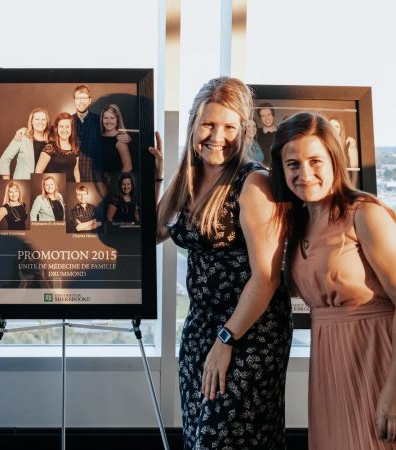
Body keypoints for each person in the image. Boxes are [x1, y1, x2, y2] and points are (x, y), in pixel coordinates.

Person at [149, 77, 292, 449]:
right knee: (200, 435)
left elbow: (266, 278)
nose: (218, 136)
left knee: (224, 438)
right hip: (201, 326)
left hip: (249, 329)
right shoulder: (189, 177)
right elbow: (154, 232)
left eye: (230, 126)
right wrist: (158, 177)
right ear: (194, 124)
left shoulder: (253, 183)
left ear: (244, 130)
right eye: (209, 124)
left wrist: (226, 339)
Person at [269, 112, 396, 449]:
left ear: (335, 161)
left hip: (379, 360)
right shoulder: (296, 226)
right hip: (329, 367)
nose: (304, 173)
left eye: (315, 161)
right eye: (293, 164)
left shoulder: (365, 214)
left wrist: (394, 390)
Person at [72, 85, 130, 181]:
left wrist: (127, 137)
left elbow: (112, 134)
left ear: (89, 100)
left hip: (96, 178)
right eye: (78, 98)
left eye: (84, 98)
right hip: (74, 176)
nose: (81, 101)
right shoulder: (68, 122)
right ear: (74, 100)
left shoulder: (99, 120)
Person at [0, 108, 51, 180]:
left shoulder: (51, 140)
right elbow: (4, 159)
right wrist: (7, 182)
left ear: (47, 122)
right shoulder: (22, 137)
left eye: (43, 119)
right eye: (37, 119)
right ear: (31, 122)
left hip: (43, 183)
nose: (40, 122)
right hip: (24, 183)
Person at [35, 112, 81, 182]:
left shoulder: (75, 148)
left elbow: (76, 170)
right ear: (57, 128)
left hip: (71, 187)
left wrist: (77, 185)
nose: (64, 130)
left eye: (67, 126)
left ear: (72, 129)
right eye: (61, 126)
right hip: (55, 187)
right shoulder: (49, 147)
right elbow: (39, 170)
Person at [100, 103, 132, 174]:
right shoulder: (99, 136)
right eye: (105, 118)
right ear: (102, 119)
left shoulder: (120, 139)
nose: (108, 121)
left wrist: (117, 181)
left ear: (117, 119)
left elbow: (128, 166)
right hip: (98, 180)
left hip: (112, 181)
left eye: (112, 118)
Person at [328, 115, 360, 186]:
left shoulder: (349, 143)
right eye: (331, 126)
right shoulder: (325, 145)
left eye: (337, 126)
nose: (333, 129)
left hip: (345, 185)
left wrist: (353, 187)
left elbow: (355, 171)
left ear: (341, 129)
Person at [255, 101, 277, 166]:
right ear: (260, 118)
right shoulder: (255, 134)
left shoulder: (282, 131)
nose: (266, 118)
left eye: (269, 114)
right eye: (263, 116)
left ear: (273, 115)